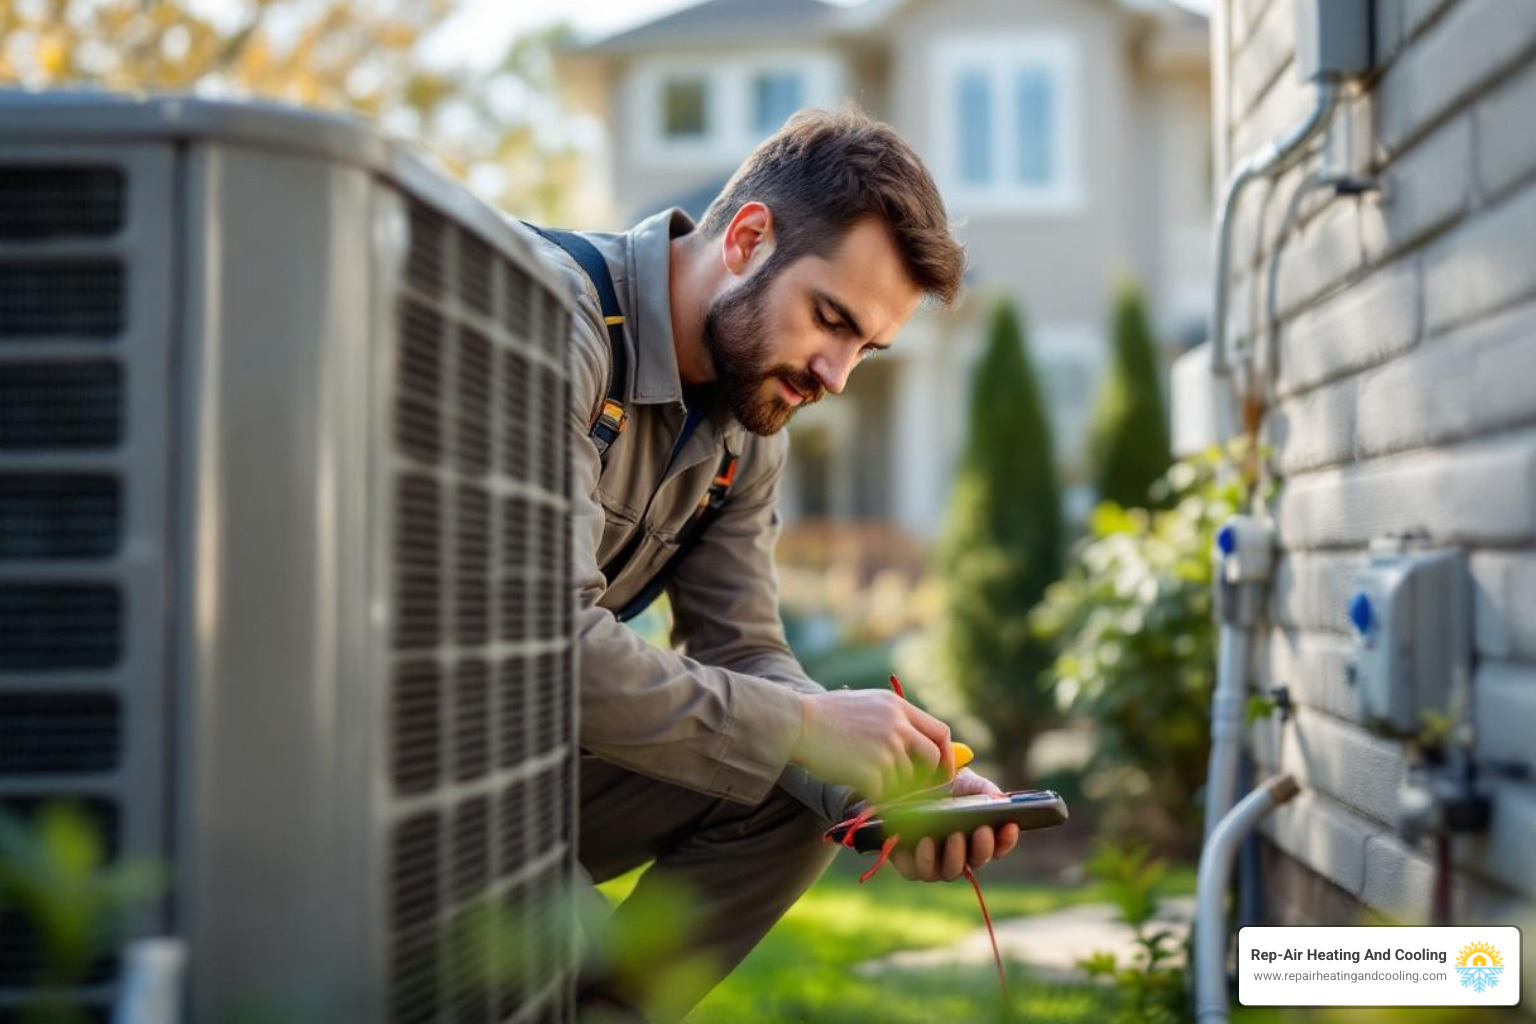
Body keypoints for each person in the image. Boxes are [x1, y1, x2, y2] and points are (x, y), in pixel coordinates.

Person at [517, 104, 1022, 1021]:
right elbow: (541, 648)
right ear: (748, 238)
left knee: (803, 793)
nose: (836, 375)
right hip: (398, 772)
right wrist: (804, 726)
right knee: (777, 752)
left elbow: (746, 651)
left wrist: (889, 785)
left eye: (865, 347)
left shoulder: (750, 419)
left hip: (534, 770)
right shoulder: (553, 322)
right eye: (829, 319)